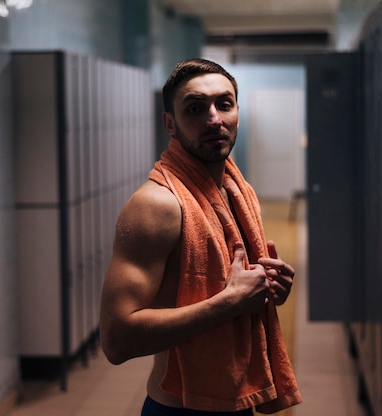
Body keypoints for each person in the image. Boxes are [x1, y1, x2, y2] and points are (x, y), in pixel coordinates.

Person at [99, 58, 302, 415]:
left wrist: (266, 289)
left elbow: (238, 291)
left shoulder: (236, 190)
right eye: (195, 108)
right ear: (169, 123)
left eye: (224, 104)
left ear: (237, 110)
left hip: (238, 400)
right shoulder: (157, 205)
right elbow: (117, 340)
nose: (213, 119)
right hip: (180, 409)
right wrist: (231, 301)